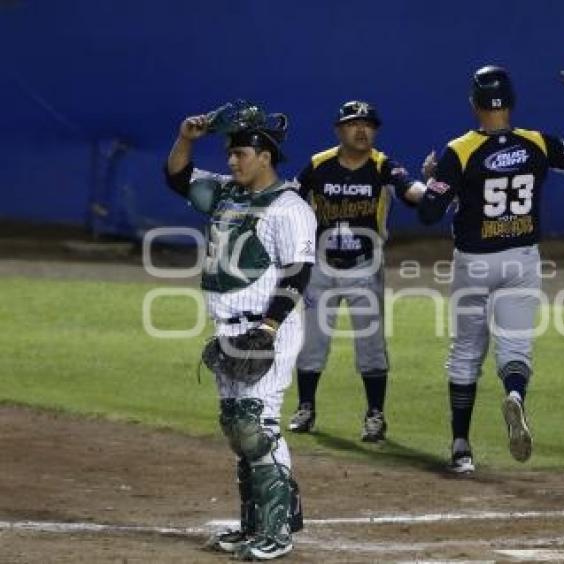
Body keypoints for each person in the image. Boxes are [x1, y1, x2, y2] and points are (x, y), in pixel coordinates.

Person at [418, 61, 564, 473]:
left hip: (475, 263)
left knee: (465, 353)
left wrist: (437, 179)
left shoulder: (459, 151)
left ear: (473, 103)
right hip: (521, 259)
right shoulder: (535, 142)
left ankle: (461, 447)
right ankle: (514, 395)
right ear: (512, 101)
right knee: (516, 347)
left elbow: (429, 212)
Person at [165, 101, 316, 560]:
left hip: (269, 328)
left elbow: (297, 274)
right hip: (229, 329)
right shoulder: (228, 194)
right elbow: (177, 177)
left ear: (265, 155)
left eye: (240, 154)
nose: (232, 161)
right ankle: (253, 525)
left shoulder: (289, 207)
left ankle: (278, 530)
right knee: (236, 427)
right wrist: (187, 137)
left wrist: (268, 328)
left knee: (257, 424)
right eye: (230, 153)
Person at [287, 100, 425, 442]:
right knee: (312, 343)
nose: (362, 130)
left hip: (365, 266)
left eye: (368, 124)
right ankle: (305, 408)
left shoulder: (383, 167)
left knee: (371, 345)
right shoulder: (319, 165)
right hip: (321, 266)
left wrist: (434, 185)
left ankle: (375, 415)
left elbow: (413, 193)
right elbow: (289, 200)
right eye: (353, 123)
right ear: (339, 130)